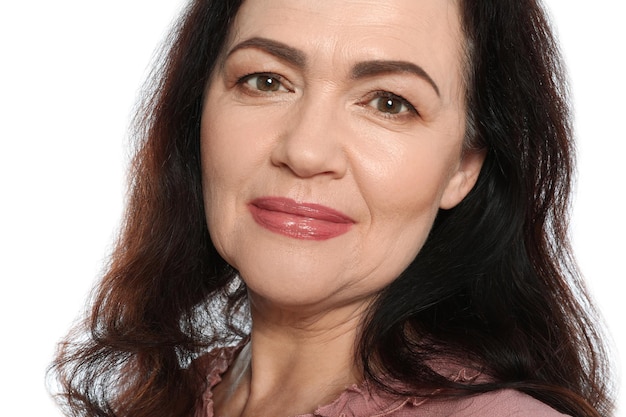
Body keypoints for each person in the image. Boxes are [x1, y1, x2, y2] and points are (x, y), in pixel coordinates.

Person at [49, 0, 615, 416]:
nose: (305, 150)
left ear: (463, 167)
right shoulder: (155, 401)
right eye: (266, 80)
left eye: (389, 103)